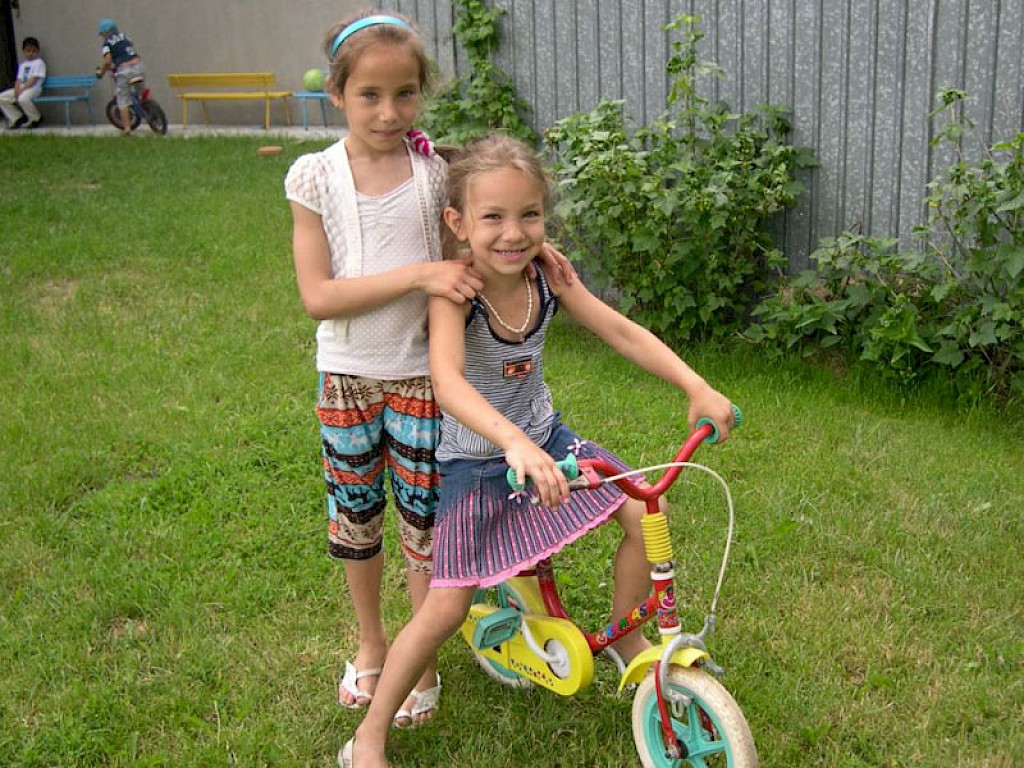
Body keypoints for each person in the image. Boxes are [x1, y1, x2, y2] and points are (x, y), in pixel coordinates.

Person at [340, 134, 737, 767]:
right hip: (478, 463)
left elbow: (619, 330)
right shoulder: (456, 294)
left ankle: (626, 639)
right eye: (492, 217)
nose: (513, 232)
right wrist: (513, 444)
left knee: (644, 513)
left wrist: (696, 385)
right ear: (458, 223)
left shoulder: (547, 277)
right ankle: (369, 736)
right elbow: (448, 383)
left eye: (529, 214)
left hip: (547, 439)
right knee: (447, 606)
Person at [284, 12, 574, 735]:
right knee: (357, 517)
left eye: (405, 94)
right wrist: (420, 273)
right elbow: (318, 296)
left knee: (423, 525)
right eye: (369, 95)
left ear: (421, 93)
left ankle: (423, 660)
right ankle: (372, 643)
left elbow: (492, 216)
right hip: (348, 377)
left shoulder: (433, 172)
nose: (389, 112)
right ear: (337, 94)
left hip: (422, 379)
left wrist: (537, 251)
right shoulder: (315, 176)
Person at [95, 18, 145, 136]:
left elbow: (107, 61)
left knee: (122, 99)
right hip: (139, 66)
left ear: (104, 33)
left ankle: (127, 129)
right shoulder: (125, 36)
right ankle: (149, 105)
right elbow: (126, 51)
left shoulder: (106, 44)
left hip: (125, 70)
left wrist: (101, 72)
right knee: (142, 92)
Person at [1, 37, 46, 130]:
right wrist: (16, 90)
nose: (31, 53)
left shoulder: (39, 63)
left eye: (34, 51)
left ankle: (36, 118)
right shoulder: (23, 65)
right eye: (28, 51)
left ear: (37, 51)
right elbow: (18, 79)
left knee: (22, 99)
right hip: (22, 88)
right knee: (2, 98)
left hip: (34, 88)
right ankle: (17, 118)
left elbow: (34, 79)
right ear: (24, 51)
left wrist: (22, 90)